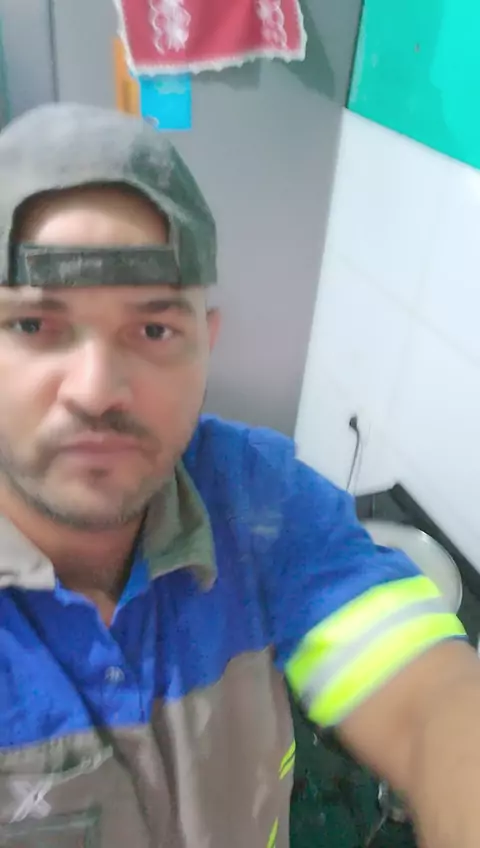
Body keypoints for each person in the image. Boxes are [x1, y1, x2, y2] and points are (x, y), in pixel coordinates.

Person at [0, 102, 478, 848]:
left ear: (207, 342)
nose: (95, 390)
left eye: (153, 329)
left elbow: (435, 708)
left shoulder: (257, 501)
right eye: (33, 325)